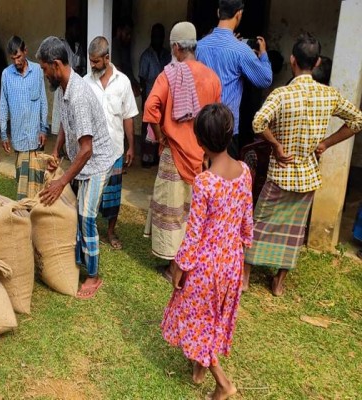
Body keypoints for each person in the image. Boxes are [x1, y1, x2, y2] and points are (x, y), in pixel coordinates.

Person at [243, 33, 362, 296]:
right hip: (308, 178)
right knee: (294, 230)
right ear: (317, 62)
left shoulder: (281, 94)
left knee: (260, 223)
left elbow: (258, 123)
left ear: (292, 60)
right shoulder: (329, 95)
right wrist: (327, 143)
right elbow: (357, 120)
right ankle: (279, 282)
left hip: (280, 174)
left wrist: (276, 145)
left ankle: (245, 277)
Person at [162, 103, 253, 400]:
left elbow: (194, 232)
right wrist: (243, 244)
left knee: (198, 319)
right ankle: (199, 370)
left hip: (206, 266)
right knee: (214, 317)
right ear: (230, 134)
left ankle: (223, 383)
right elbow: (246, 218)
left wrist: (179, 266)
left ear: (200, 141)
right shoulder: (245, 172)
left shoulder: (205, 182)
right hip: (232, 261)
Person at [36, 36, 116, 300]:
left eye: (45, 69)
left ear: (56, 65)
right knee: (77, 210)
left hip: (97, 162)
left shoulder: (79, 95)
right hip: (84, 161)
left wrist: (61, 183)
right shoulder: (63, 88)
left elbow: (87, 150)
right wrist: (57, 151)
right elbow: (64, 122)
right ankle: (81, 257)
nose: (44, 74)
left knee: (86, 216)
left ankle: (93, 275)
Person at [143, 22, 222, 273]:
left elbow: (150, 108)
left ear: (176, 47)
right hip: (201, 156)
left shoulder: (169, 74)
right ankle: (189, 262)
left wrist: (161, 137)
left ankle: (172, 266)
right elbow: (216, 118)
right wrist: (208, 153)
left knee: (172, 210)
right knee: (192, 212)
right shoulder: (212, 78)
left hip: (174, 154)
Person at [196, 0, 272, 158]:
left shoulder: (199, 46)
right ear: (239, 14)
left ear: (218, 12)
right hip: (227, 128)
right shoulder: (241, 50)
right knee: (224, 171)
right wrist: (263, 54)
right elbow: (265, 79)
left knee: (201, 171)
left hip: (201, 124)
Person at [84, 36, 138, 250]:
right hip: (92, 153)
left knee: (113, 195)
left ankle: (111, 231)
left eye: (96, 61)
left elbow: (128, 116)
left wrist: (131, 146)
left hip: (115, 150)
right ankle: (89, 229)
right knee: (90, 194)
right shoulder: (85, 83)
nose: (92, 65)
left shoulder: (123, 82)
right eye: (90, 60)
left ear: (107, 58)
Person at [0, 36, 48, 199]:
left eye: (19, 57)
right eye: (13, 58)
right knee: (22, 176)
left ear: (25, 51)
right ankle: (23, 207)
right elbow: (3, 105)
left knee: (37, 177)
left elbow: (43, 101)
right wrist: (4, 134)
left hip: (36, 135)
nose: (16, 61)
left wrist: (43, 129)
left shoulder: (37, 71)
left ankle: (36, 208)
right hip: (19, 135)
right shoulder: (6, 74)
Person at [139, 23, 172, 168]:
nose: (157, 38)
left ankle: (158, 158)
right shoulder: (146, 55)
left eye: (160, 35)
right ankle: (146, 159)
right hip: (150, 96)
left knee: (161, 128)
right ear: (151, 36)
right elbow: (142, 78)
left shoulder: (167, 55)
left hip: (164, 99)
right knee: (148, 127)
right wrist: (144, 99)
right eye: (155, 35)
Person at [111, 19, 139, 96]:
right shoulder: (114, 45)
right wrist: (131, 86)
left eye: (130, 34)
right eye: (127, 34)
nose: (129, 37)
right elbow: (118, 71)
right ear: (119, 30)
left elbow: (128, 69)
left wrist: (136, 84)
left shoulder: (125, 46)